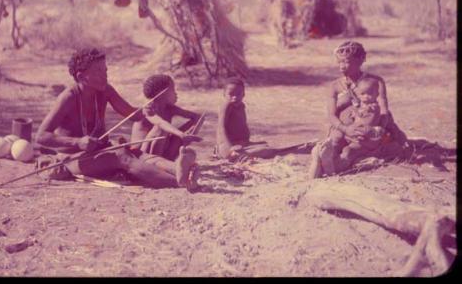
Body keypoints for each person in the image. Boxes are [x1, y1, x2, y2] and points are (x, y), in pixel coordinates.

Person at [35, 48, 198, 189]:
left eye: (105, 70)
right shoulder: (69, 97)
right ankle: (180, 182)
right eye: (99, 72)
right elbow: (41, 136)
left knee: (139, 155)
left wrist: (145, 110)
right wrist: (77, 142)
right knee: (121, 156)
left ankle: (183, 169)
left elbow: (132, 115)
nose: (105, 76)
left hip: (101, 151)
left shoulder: (105, 90)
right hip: (73, 159)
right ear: (82, 76)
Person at [308, 41, 409, 179]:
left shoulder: (376, 82)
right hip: (344, 129)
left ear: (361, 60)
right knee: (337, 142)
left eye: (346, 62)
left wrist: (374, 130)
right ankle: (324, 158)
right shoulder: (335, 86)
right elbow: (331, 115)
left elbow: (384, 111)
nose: (341, 66)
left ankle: (328, 163)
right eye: (339, 62)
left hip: (370, 129)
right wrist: (346, 129)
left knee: (354, 151)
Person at [215, 77, 304, 161]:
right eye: (231, 94)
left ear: (244, 94)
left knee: (265, 145)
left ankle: (245, 153)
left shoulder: (241, 106)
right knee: (266, 150)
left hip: (241, 144)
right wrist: (229, 149)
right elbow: (221, 128)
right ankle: (239, 156)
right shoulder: (226, 106)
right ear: (224, 94)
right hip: (229, 147)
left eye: (238, 94)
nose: (235, 97)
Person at [130, 74, 203, 161]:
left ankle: (168, 162)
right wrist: (181, 134)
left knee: (196, 121)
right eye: (173, 90)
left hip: (163, 154)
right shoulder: (147, 109)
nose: (176, 94)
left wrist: (189, 133)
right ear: (161, 93)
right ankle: (155, 165)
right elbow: (160, 123)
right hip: (140, 156)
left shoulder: (170, 109)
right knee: (161, 128)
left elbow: (198, 117)